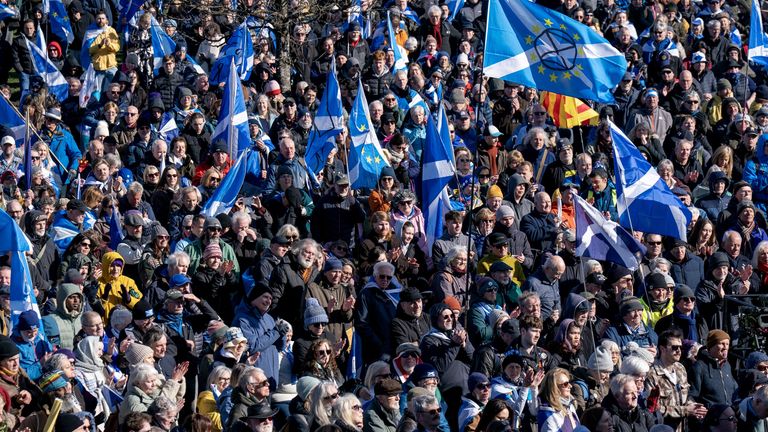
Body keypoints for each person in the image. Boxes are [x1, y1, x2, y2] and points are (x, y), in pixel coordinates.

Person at [690, 330, 738, 407]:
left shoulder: (727, 366)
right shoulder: (699, 366)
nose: (725, 347)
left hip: (730, 412)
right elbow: (692, 395)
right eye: (722, 344)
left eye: (727, 344)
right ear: (711, 346)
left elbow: (735, 390)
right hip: (710, 413)